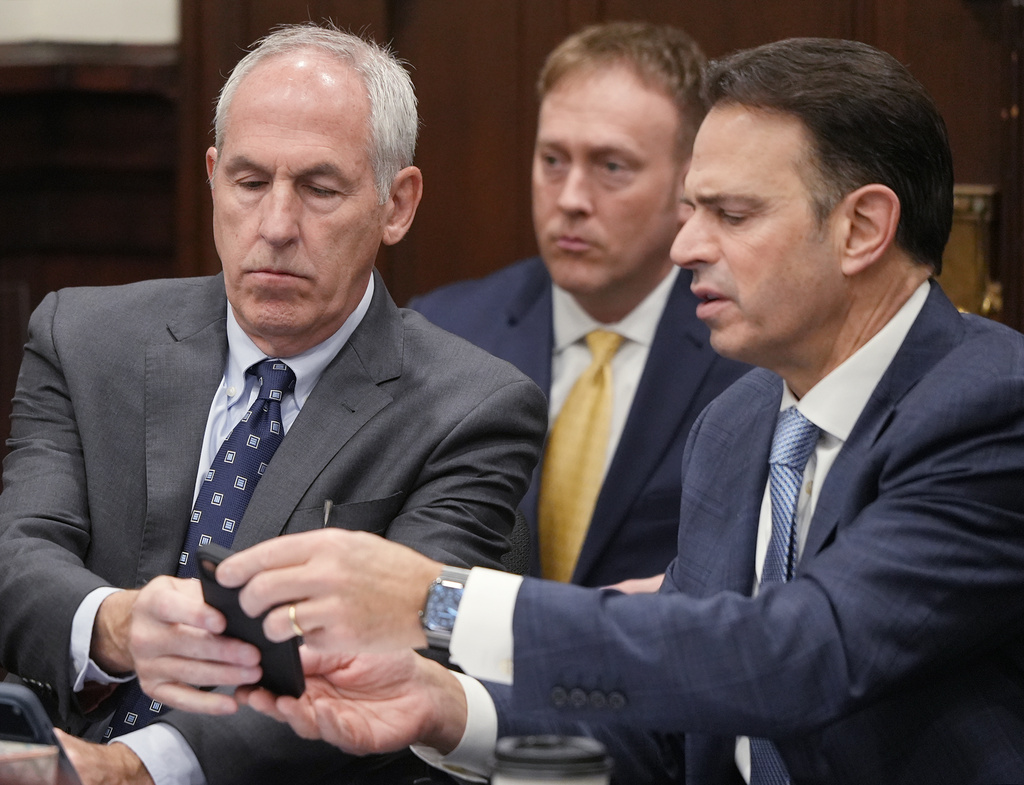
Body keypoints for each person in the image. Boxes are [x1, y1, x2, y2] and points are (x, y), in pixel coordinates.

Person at [194, 37, 1024, 785]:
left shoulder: (987, 406)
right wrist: (450, 713)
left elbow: (796, 657)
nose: (686, 246)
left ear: (863, 227)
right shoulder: (738, 426)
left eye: (732, 215)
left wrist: (438, 599)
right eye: (694, 210)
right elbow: (668, 738)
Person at [0, 22, 546, 785]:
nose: (277, 226)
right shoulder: (83, 337)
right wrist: (116, 625)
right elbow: (17, 556)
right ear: (214, 177)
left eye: (320, 189)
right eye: (250, 183)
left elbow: (380, 666)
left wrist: (136, 766)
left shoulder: (472, 408)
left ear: (398, 203)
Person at [409, 22, 748, 588]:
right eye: (553, 160)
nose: (570, 199)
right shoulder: (442, 331)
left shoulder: (750, 352)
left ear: (689, 183)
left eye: (611, 166)